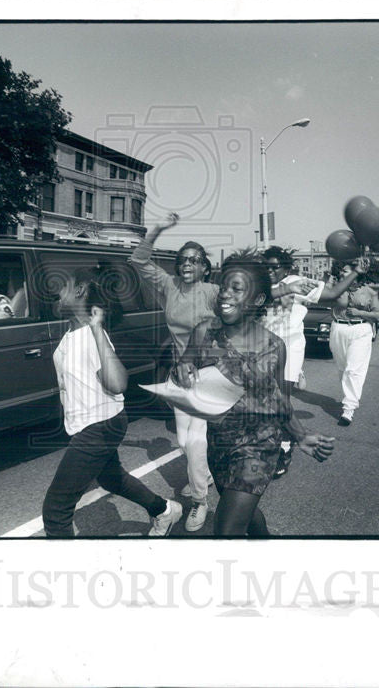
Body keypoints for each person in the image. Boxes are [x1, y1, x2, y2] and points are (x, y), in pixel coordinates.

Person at [174, 251, 334, 536]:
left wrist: (300, 435)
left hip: (259, 445)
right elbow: (184, 364)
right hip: (220, 442)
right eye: (224, 286)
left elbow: (279, 400)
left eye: (237, 289)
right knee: (243, 515)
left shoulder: (273, 346)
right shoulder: (204, 333)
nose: (226, 294)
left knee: (226, 531)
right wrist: (183, 370)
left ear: (257, 300)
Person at [41, 267, 181, 537]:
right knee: (111, 478)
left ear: (80, 290)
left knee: (56, 510)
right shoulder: (72, 334)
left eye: (62, 286)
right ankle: (164, 510)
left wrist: (96, 329)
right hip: (92, 423)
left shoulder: (93, 335)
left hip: (100, 425)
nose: (55, 293)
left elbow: (118, 384)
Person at [129, 212, 221, 533]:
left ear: (205, 267)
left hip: (208, 375)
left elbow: (241, 306)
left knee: (195, 441)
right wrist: (158, 229)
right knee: (183, 439)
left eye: (194, 260)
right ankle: (205, 475)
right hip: (179, 376)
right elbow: (138, 259)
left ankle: (200, 500)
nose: (186, 264)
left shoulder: (212, 292)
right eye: (182, 259)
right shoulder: (170, 286)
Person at [261, 246, 316, 479]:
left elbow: (332, 295)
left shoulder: (297, 281)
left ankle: (285, 447)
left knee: (281, 400)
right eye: (266, 266)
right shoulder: (260, 285)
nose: (270, 271)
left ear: (286, 267)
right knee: (263, 400)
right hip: (264, 349)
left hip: (290, 348)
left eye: (275, 267)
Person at [309, 258, 379, 427]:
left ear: (356, 273)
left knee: (353, 369)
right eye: (341, 271)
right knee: (343, 369)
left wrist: (359, 312)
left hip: (360, 330)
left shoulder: (369, 292)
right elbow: (318, 296)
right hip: (338, 329)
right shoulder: (336, 291)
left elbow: (378, 315)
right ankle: (349, 398)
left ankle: (348, 409)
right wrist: (325, 279)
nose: (341, 273)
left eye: (345, 271)